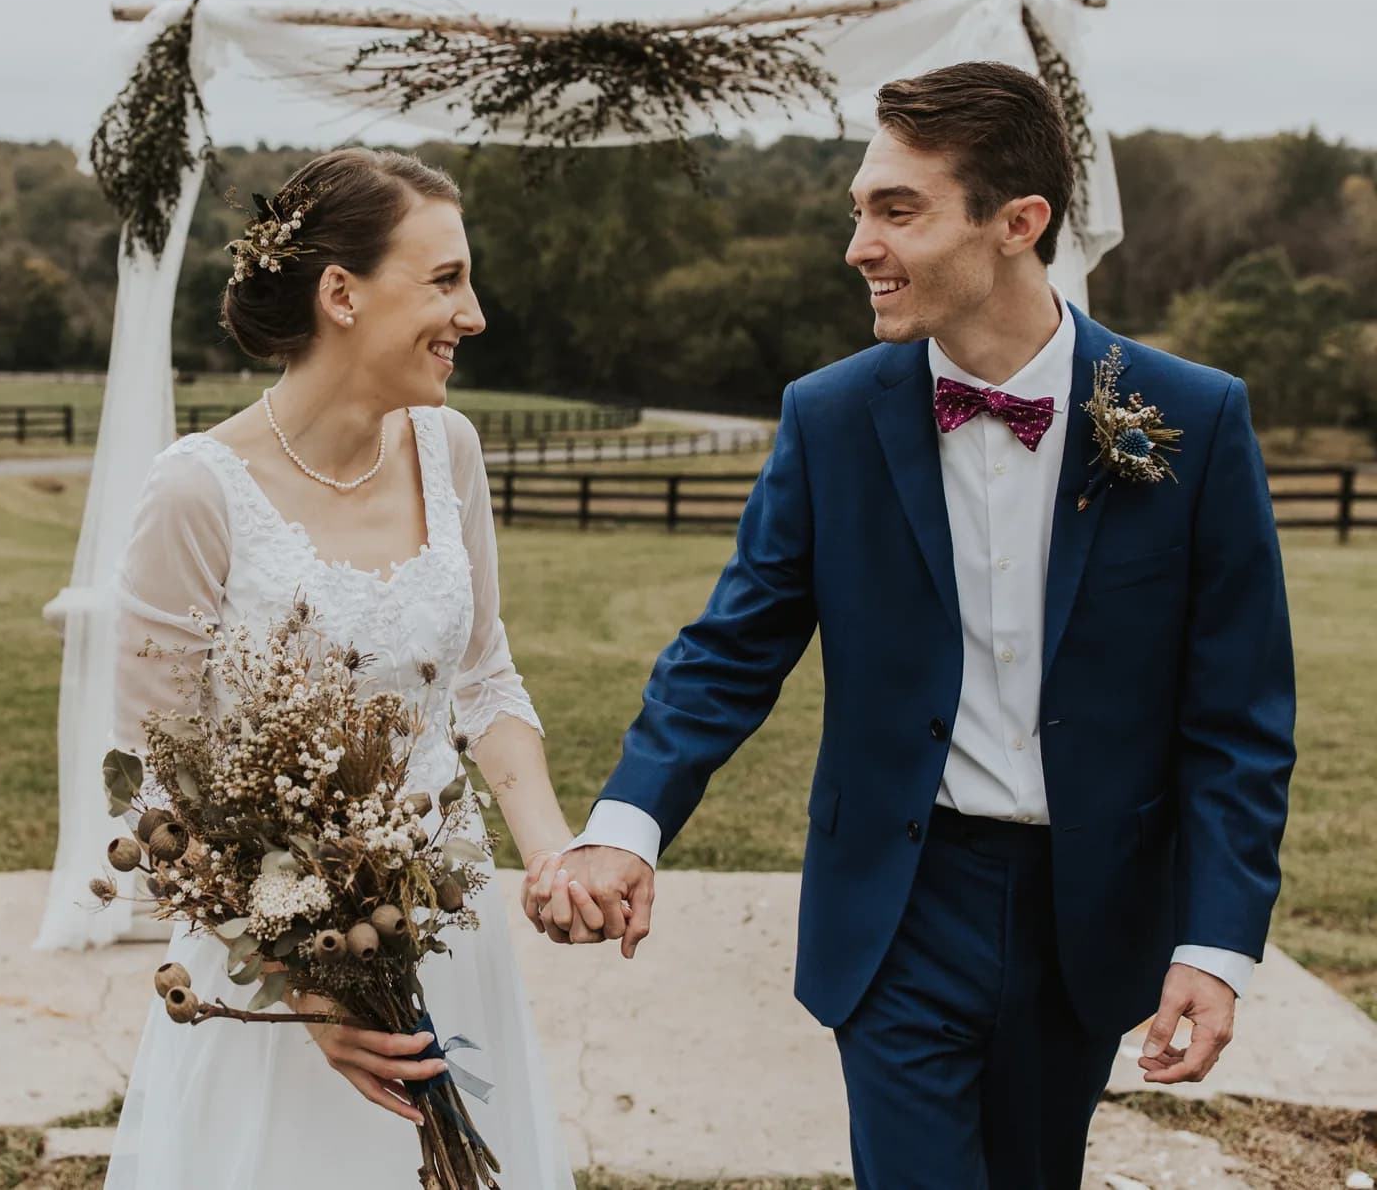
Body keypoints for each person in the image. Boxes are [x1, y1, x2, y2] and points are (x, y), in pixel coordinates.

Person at [529, 62, 1297, 1188]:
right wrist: (624, 824)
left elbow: (1237, 718)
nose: (857, 245)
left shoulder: (1191, 420)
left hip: (1089, 908)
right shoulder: (829, 418)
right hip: (897, 901)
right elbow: (732, 645)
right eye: (857, 209)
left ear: (1015, 224)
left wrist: (1215, 942)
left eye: (897, 210)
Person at [103, 147, 577, 1189]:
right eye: (445, 279)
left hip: (448, 925)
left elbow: (483, 676)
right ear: (340, 293)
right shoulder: (197, 491)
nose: (475, 313)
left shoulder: (448, 450)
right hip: (272, 976)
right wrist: (302, 985)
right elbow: (152, 778)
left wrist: (552, 852)